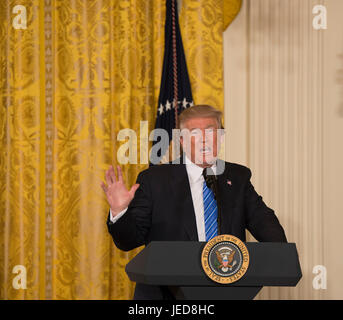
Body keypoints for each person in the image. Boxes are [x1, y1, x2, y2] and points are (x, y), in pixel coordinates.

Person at [101, 104, 287, 299]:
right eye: (195, 133)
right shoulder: (154, 180)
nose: (203, 140)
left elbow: (264, 222)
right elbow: (129, 240)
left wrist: (281, 255)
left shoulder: (237, 177)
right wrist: (120, 212)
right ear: (182, 140)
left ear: (221, 137)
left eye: (210, 132)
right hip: (166, 297)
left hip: (226, 292)